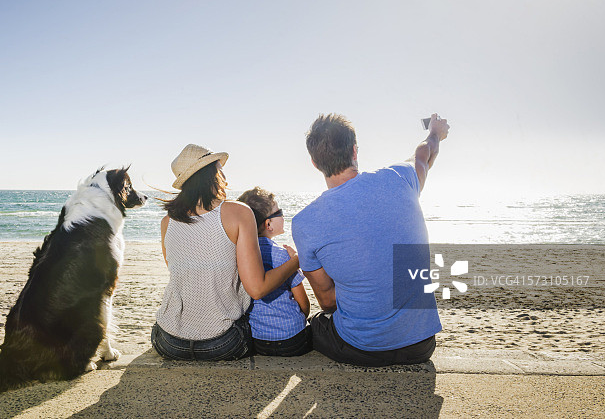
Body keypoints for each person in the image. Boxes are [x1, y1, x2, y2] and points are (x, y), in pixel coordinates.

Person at [292, 113, 450, 367]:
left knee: (316, 325)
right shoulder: (400, 177)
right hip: (421, 344)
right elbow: (424, 154)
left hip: (362, 348)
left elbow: (328, 301)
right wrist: (435, 133)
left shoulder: (304, 222)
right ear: (354, 150)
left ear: (314, 162)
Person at [152, 144, 301, 361]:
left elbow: (186, 276)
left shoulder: (167, 222)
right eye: (220, 170)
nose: (225, 178)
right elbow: (257, 289)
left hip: (168, 341)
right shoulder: (239, 212)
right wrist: (296, 261)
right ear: (212, 174)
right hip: (221, 343)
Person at [237, 187, 311, 356]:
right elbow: (304, 305)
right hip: (292, 339)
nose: (283, 216)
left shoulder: (238, 256)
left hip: (258, 339)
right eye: (280, 212)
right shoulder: (284, 256)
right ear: (268, 224)